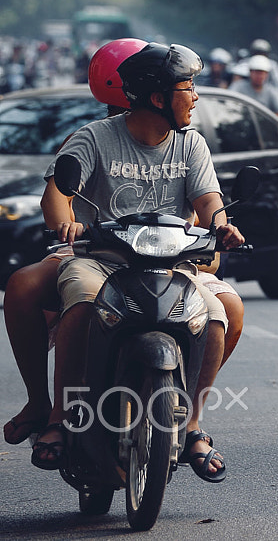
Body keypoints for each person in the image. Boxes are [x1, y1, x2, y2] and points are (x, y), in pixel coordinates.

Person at [31, 39, 245, 480]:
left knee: (224, 313)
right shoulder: (95, 137)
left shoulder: (192, 146)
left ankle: (191, 425)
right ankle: (59, 416)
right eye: (188, 87)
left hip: (173, 265)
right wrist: (64, 225)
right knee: (84, 306)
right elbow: (58, 193)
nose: (196, 96)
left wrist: (221, 226)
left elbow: (209, 201)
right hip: (100, 259)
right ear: (157, 97)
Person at [231, 54, 278, 126]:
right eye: (257, 72)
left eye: (262, 73)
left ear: (267, 74)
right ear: (250, 72)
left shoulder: (271, 92)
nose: (260, 76)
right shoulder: (239, 87)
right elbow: (228, 106)